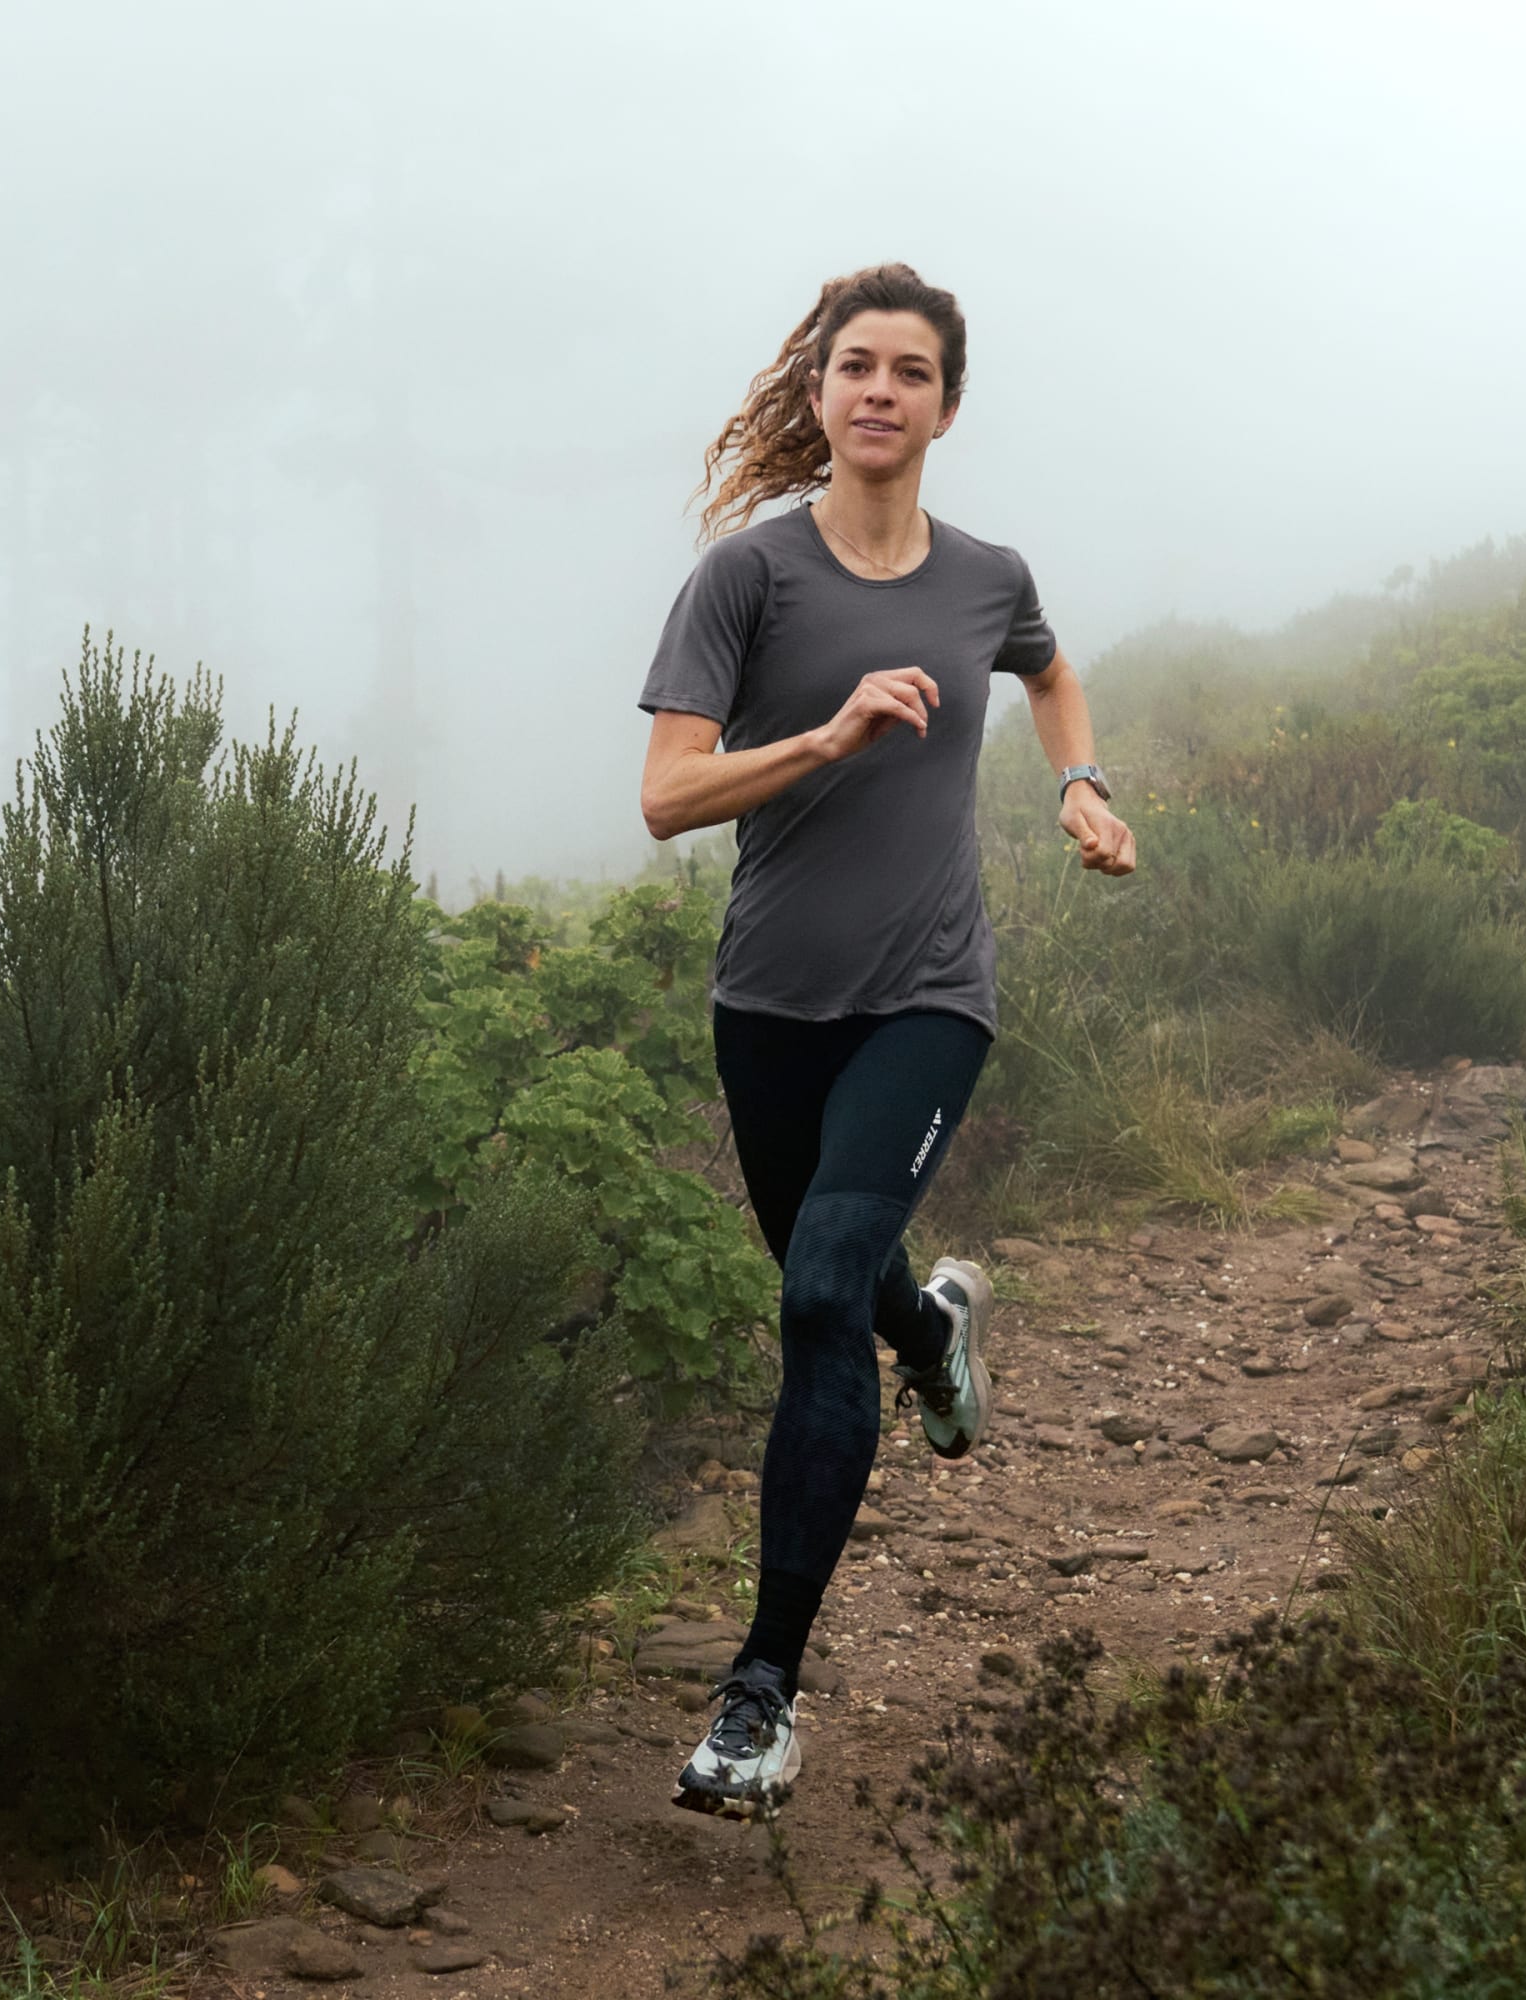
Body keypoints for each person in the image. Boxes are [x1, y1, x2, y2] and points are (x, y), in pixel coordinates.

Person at [637, 262, 1135, 1818]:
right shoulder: (747, 580)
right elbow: (666, 796)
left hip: (928, 997)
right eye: (856, 365)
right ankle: (933, 1334)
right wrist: (828, 733)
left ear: (945, 407)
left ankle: (760, 1695)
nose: (879, 391)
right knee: (843, 1283)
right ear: (820, 390)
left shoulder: (986, 577)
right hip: (768, 1005)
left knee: (812, 1300)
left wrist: (1079, 784)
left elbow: (1048, 669)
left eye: (910, 372)